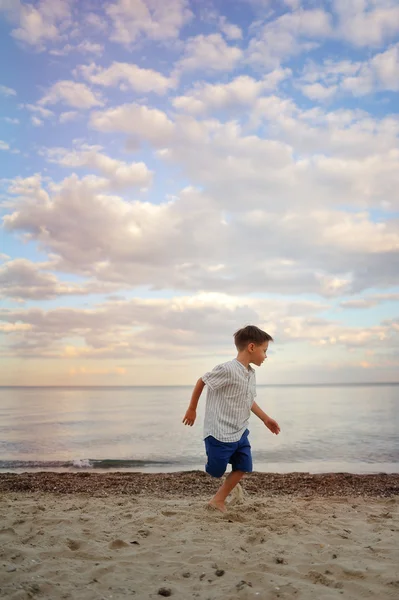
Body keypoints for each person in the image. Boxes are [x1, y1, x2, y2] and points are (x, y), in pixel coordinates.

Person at [182, 325, 280, 513]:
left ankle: (218, 500)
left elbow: (248, 400)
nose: (266, 356)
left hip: (240, 430)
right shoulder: (227, 369)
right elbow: (202, 380)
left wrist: (266, 419)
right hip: (219, 431)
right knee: (216, 471)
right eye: (264, 351)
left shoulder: (251, 374)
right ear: (251, 347)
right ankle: (215, 465)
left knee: (244, 465)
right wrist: (192, 409)